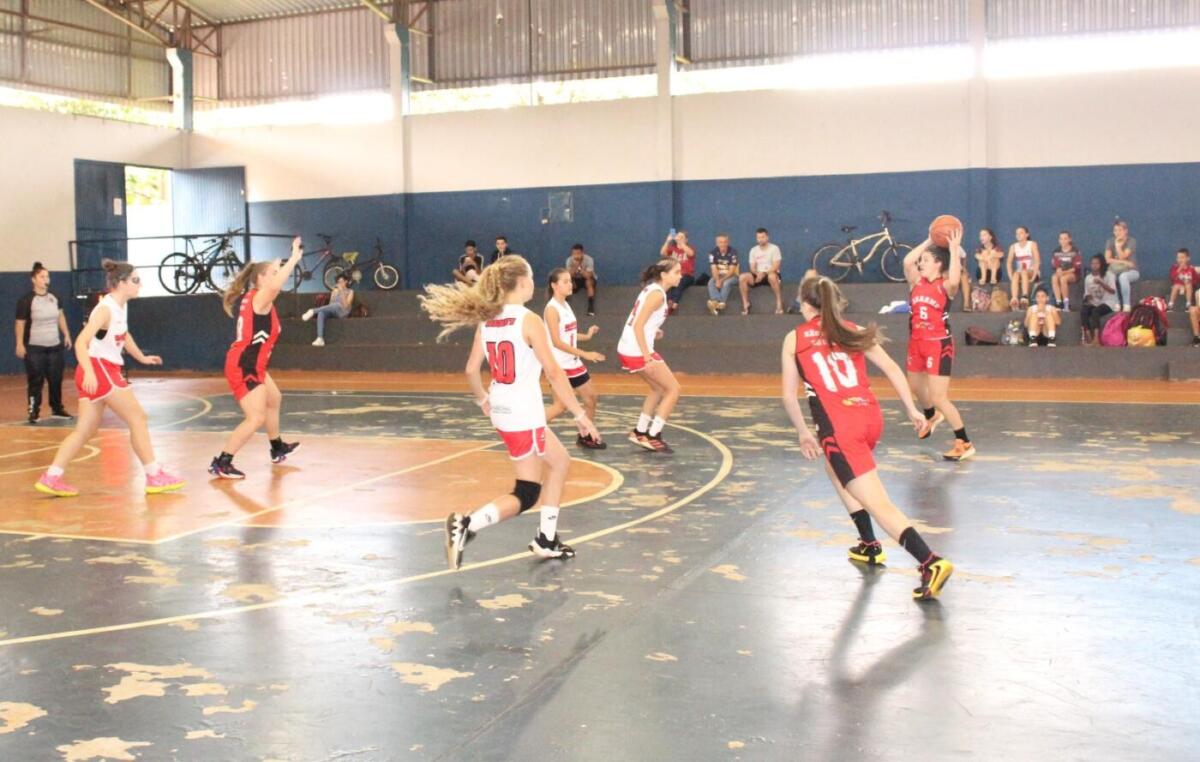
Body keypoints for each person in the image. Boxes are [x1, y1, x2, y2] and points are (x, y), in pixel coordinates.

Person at [418, 256, 599, 570]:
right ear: (523, 282)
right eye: (531, 278)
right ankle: (467, 525)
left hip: (504, 409)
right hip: (522, 413)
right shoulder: (529, 320)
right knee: (527, 492)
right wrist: (580, 416)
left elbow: (471, 369)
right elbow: (554, 372)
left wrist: (483, 401)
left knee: (559, 462)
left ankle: (546, 539)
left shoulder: (488, 320)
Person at [782, 275, 954, 601]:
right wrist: (912, 410)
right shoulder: (852, 330)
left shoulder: (795, 338)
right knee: (835, 468)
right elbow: (892, 368)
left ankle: (930, 561)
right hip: (869, 418)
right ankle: (869, 544)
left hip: (840, 427)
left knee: (878, 502)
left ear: (805, 305)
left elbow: (789, 396)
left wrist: (804, 432)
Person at [33, 260, 184, 498]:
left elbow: (124, 334)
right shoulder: (105, 309)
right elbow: (81, 342)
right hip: (99, 369)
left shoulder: (119, 307)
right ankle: (154, 474)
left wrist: (141, 357)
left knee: (84, 430)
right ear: (121, 283)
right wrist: (90, 372)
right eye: (135, 280)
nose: (140, 284)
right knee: (138, 417)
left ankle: (52, 476)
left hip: (98, 370)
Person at [209, 238, 304, 479]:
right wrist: (293, 259)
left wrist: (276, 267)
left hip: (255, 364)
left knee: (274, 398)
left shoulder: (260, 299)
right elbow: (275, 287)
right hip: (244, 364)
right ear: (260, 279)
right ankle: (222, 462)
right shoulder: (259, 298)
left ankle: (276, 447)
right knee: (256, 417)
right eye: (272, 273)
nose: (277, 277)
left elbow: (273, 286)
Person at [903, 228, 975, 462]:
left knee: (939, 397)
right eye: (921, 260)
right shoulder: (916, 282)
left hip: (938, 345)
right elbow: (907, 261)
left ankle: (964, 442)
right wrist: (929, 239)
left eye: (926, 260)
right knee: (915, 386)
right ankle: (932, 416)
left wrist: (952, 249)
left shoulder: (945, 287)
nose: (920, 263)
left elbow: (955, 279)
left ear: (938, 264)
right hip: (916, 343)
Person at [617, 260, 683, 453]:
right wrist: (647, 358)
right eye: (677, 272)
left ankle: (640, 431)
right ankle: (653, 435)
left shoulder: (652, 290)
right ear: (664, 275)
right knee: (673, 389)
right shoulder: (657, 295)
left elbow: (642, 321)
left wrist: (654, 330)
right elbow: (638, 325)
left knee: (657, 389)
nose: (680, 275)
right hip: (637, 350)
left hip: (628, 347)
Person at [543, 268, 606, 449]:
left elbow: (568, 334)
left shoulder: (566, 305)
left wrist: (587, 336)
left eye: (570, 281)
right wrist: (586, 354)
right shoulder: (551, 309)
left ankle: (585, 436)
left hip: (573, 363)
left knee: (591, 398)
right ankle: (527, 429)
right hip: (559, 366)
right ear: (554, 285)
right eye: (565, 281)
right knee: (560, 406)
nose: (570, 284)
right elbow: (556, 341)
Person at [15, 262, 73, 424]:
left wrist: (66, 334)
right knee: (36, 380)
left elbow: (60, 316)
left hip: (54, 346)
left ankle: (57, 409)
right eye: (42, 277)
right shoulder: (26, 300)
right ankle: (33, 411)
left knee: (55, 379)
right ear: (33, 279)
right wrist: (19, 343)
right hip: (35, 348)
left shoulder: (55, 297)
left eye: (47, 276)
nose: (46, 279)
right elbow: (20, 323)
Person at [301, 272, 354, 347]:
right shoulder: (335, 291)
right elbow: (330, 305)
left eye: (341, 282)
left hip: (343, 312)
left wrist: (342, 291)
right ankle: (320, 338)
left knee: (337, 305)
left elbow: (346, 306)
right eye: (338, 282)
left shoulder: (350, 291)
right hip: (334, 310)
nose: (340, 284)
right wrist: (335, 294)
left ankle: (313, 311)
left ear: (346, 282)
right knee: (321, 313)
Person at [740, 228, 784, 314]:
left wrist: (764, 274)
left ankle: (779, 302)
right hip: (758, 275)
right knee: (742, 277)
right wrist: (757, 273)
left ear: (767, 237)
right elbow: (752, 267)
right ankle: (745, 304)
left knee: (772, 276)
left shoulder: (774, 248)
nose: (760, 239)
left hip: (770, 274)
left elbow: (776, 265)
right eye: (758, 238)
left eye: (763, 237)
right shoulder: (753, 250)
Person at [1080, 255, 1118, 345]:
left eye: (1097, 263)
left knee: (1095, 312)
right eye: (1092, 263)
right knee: (1084, 311)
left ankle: (1096, 338)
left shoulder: (1109, 275)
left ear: (1101, 264)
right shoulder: (1088, 278)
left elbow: (1112, 291)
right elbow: (1086, 293)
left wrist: (1101, 282)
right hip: (1095, 302)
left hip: (1108, 302)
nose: (1094, 266)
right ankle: (1088, 336)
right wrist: (1088, 297)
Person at [1105, 220, 1138, 312]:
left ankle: (1126, 304)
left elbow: (1123, 256)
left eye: (1120, 230)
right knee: (1109, 275)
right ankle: (1116, 303)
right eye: (1115, 230)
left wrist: (1118, 246)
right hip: (1115, 270)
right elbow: (1107, 259)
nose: (1117, 232)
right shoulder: (1110, 241)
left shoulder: (1131, 241)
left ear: (1125, 231)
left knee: (1123, 277)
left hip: (1131, 271)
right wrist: (1125, 262)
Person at [660, 231, 696, 313]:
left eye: (681, 237)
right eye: (678, 236)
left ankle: (674, 303)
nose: (679, 238)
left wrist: (682, 244)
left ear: (686, 240)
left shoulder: (690, 248)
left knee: (680, 281)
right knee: (668, 282)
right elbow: (662, 253)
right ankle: (669, 302)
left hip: (687, 276)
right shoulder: (672, 249)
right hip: (674, 275)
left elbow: (691, 254)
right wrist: (667, 241)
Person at [1006, 226, 1040, 310]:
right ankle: (1014, 298)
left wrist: (1034, 276)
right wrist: (1010, 276)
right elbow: (1009, 262)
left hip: (1031, 271)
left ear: (1027, 234)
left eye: (1021, 233)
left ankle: (1025, 296)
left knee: (1024, 272)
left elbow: (1037, 260)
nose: (1018, 235)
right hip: (1020, 272)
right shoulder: (1013, 246)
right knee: (1016, 274)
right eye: (1017, 233)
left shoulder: (1032, 244)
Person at [1048, 231, 1083, 311]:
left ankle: (1066, 304)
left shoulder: (1075, 251)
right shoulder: (1056, 251)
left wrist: (1064, 273)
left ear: (1069, 239)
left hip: (1074, 274)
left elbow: (1076, 268)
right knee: (1054, 277)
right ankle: (1059, 302)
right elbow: (1056, 266)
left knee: (1063, 279)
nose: (1063, 241)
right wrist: (1058, 269)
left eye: (1065, 239)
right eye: (1061, 239)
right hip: (1061, 273)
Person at [706, 234, 739, 315]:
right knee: (711, 282)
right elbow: (713, 269)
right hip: (719, 275)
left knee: (726, 283)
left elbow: (732, 271)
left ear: (728, 242)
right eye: (720, 242)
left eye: (725, 242)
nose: (723, 244)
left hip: (733, 276)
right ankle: (718, 303)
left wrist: (721, 281)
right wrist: (717, 280)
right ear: (717, 243)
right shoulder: (712, 253)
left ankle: (716, 303)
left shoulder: (733, 252)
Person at [565, 244, 598, 316]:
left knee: (589, 282)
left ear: (582, 253)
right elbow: (568, 276)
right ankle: (564, 305)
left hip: (587, 278)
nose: (576, 256)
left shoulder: (589, 259)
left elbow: (588, 276)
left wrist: (579, 268)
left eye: (578, 253)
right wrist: (575, 266)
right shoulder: (569, 260)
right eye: (574, 254)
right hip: (576, 279)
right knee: (567, 283)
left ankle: (591, 306)